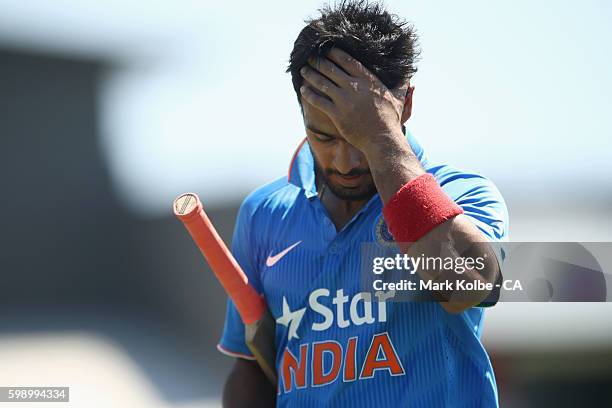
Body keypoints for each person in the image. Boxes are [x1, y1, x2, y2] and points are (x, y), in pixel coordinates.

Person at [218, 1, 509, 406]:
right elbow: (252, 366)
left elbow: (469, 287)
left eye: (358, 138)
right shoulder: (263, 214)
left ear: (404, 105)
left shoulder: (463, 194)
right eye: (324, 137)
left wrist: (381, 139)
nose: (346, 162)